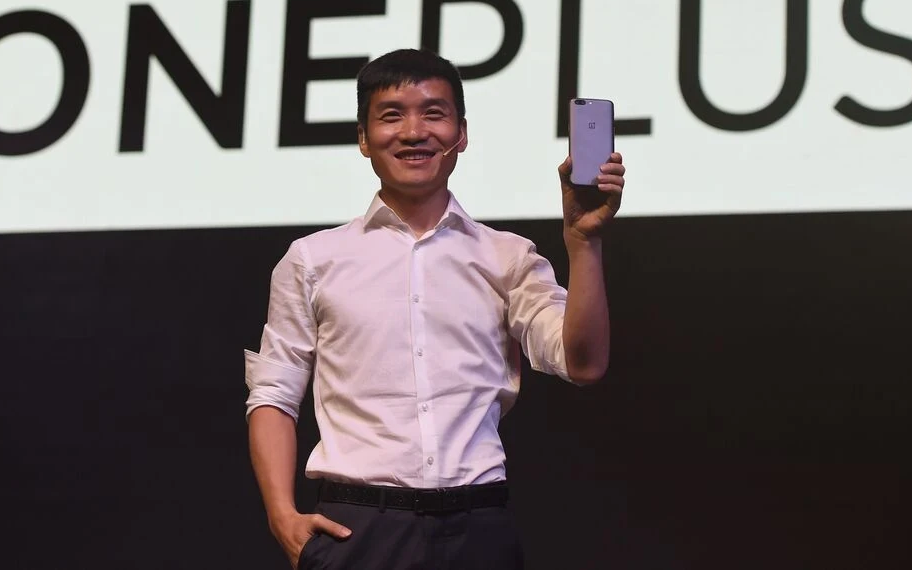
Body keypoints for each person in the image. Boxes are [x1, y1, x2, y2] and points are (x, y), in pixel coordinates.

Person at [245, 48, 626, 569]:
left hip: (478, 529)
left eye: (433, 113)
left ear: (461, 134)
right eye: (391, 115)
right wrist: (281, 517)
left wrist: (583, 242)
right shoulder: (313, 259)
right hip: (359, 529)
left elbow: (584, 363)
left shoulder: (508, 257)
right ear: (363, 138)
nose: (413, 132)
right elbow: (273, 394)